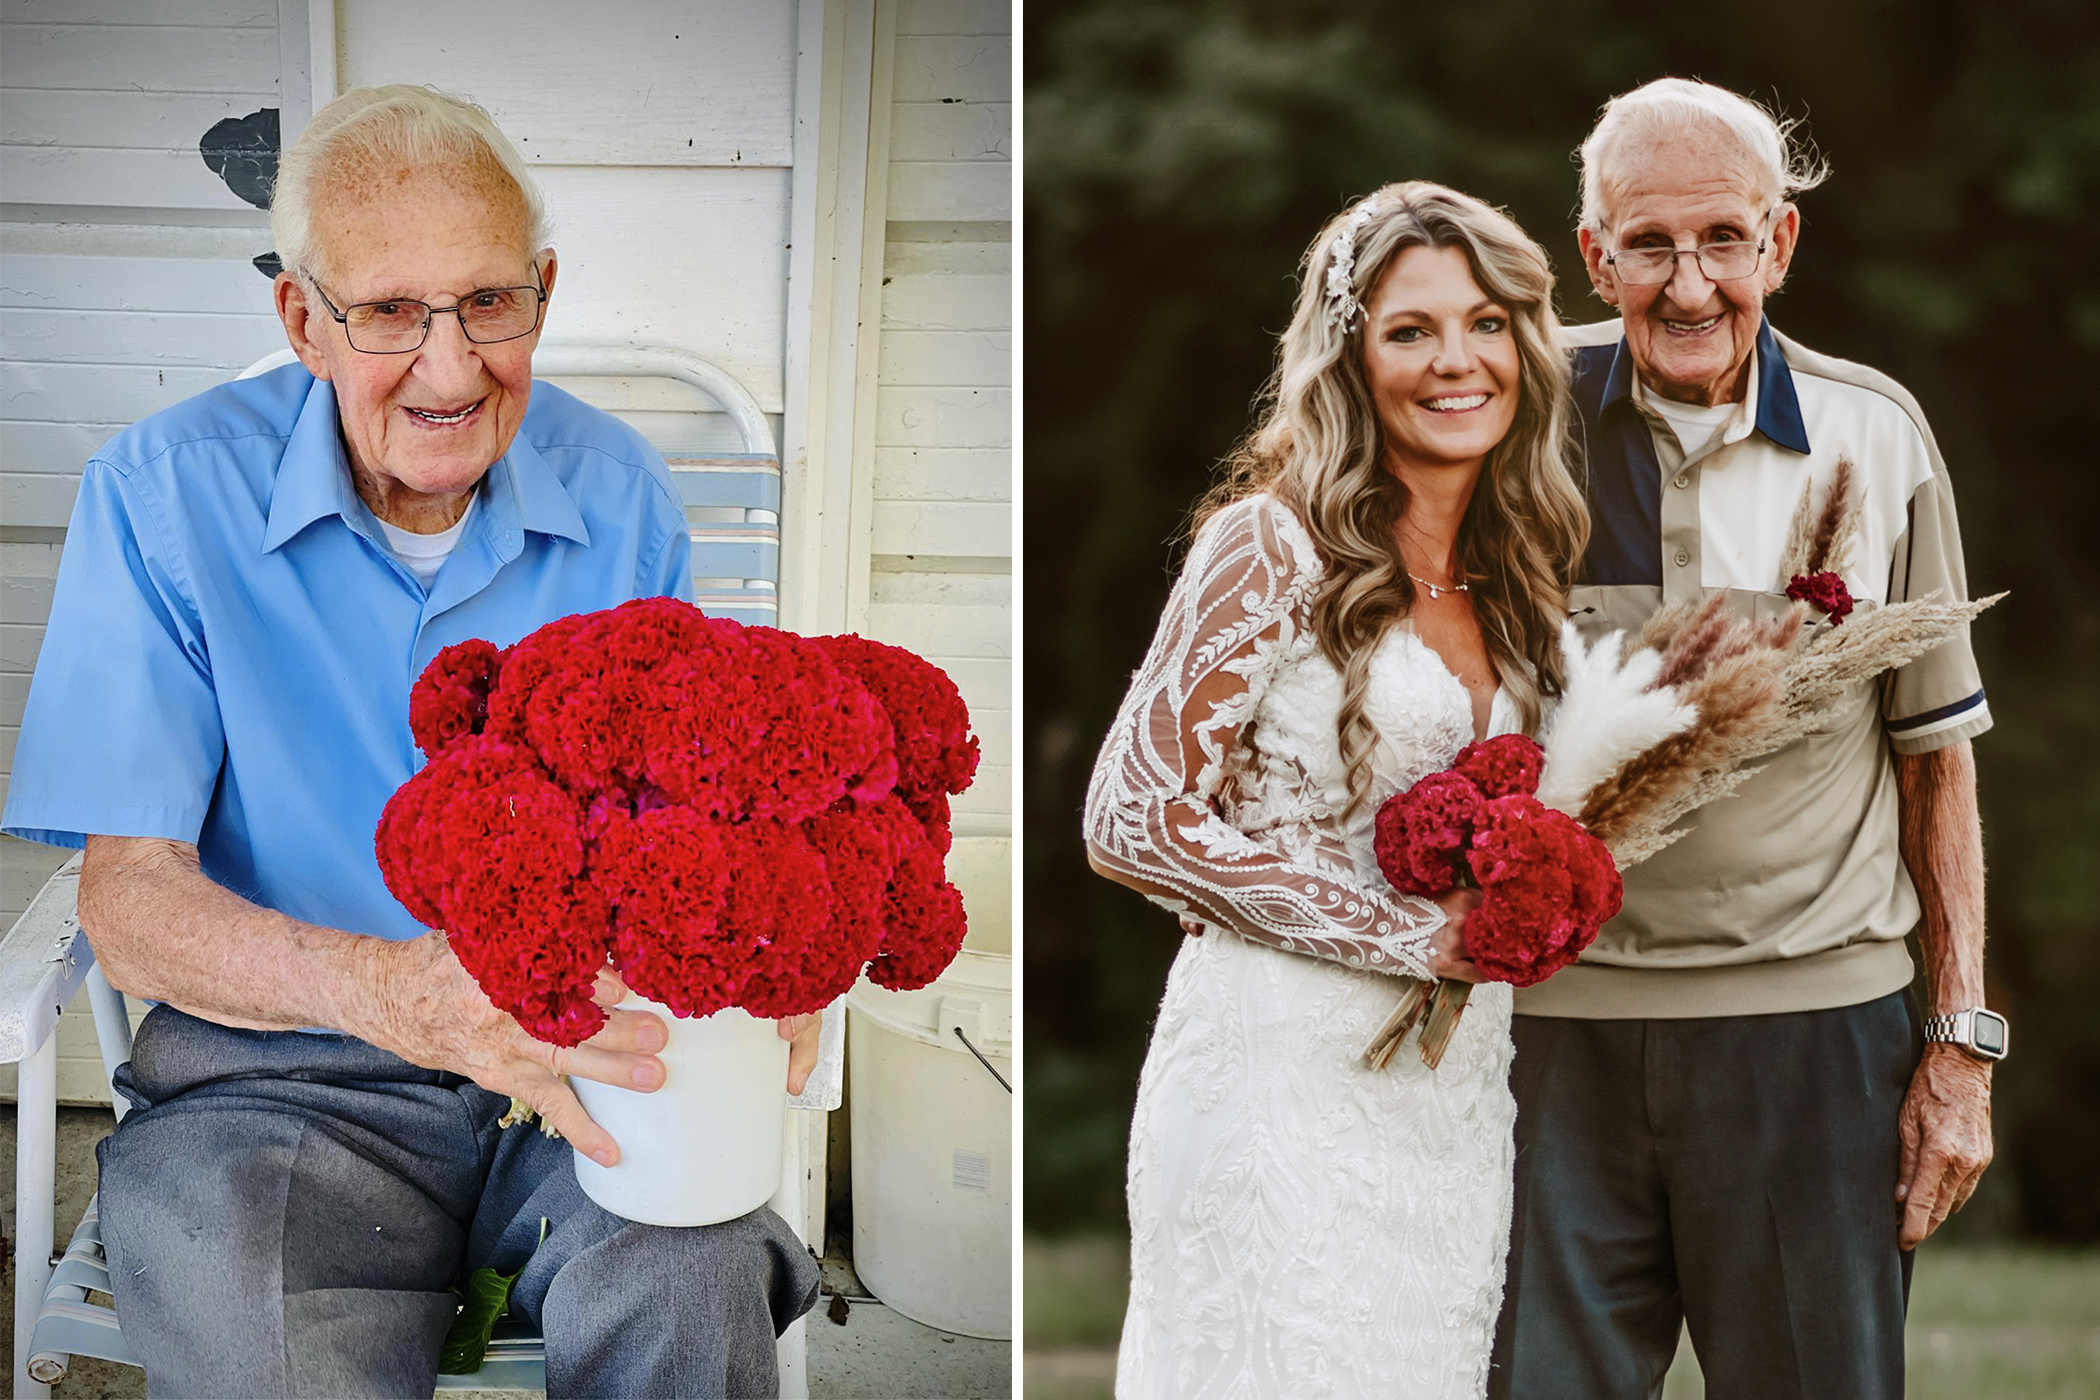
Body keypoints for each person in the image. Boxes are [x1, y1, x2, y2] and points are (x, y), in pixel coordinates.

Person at [1, 85, 820, 1398]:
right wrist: (392, 995)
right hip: (275, 1085)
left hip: (572, 1061)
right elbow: (132, 901)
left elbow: (683, 827)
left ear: (541, 294)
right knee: (248, 1315)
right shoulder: (162, 499)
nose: (451, 369)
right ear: (302, 321)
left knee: (692, 1270)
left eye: (490, 303)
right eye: (388, 312)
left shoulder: (621, 500)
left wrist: (774, 944)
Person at [1488, 78, 1997, 1400]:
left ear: (1779, 242)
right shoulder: (1501, 426)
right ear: (1595, 257)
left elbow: (1939, 757)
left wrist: (1957, 1047)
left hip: (1816, 1042)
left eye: (1724, 238)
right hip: (1549, 1042)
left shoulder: (1875, 435)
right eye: (1649, 244)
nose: (1690, 281)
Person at [1084, 182, 1590, 1399]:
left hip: (1451, 1098)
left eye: (1485, 323)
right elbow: (1131, 816)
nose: (1455, 359)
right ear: (1351, 359)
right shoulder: (1271, 543)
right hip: (1276, 1076)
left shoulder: (1519, 577)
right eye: (1410, 330)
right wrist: (1413, 932)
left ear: (1527, 341)